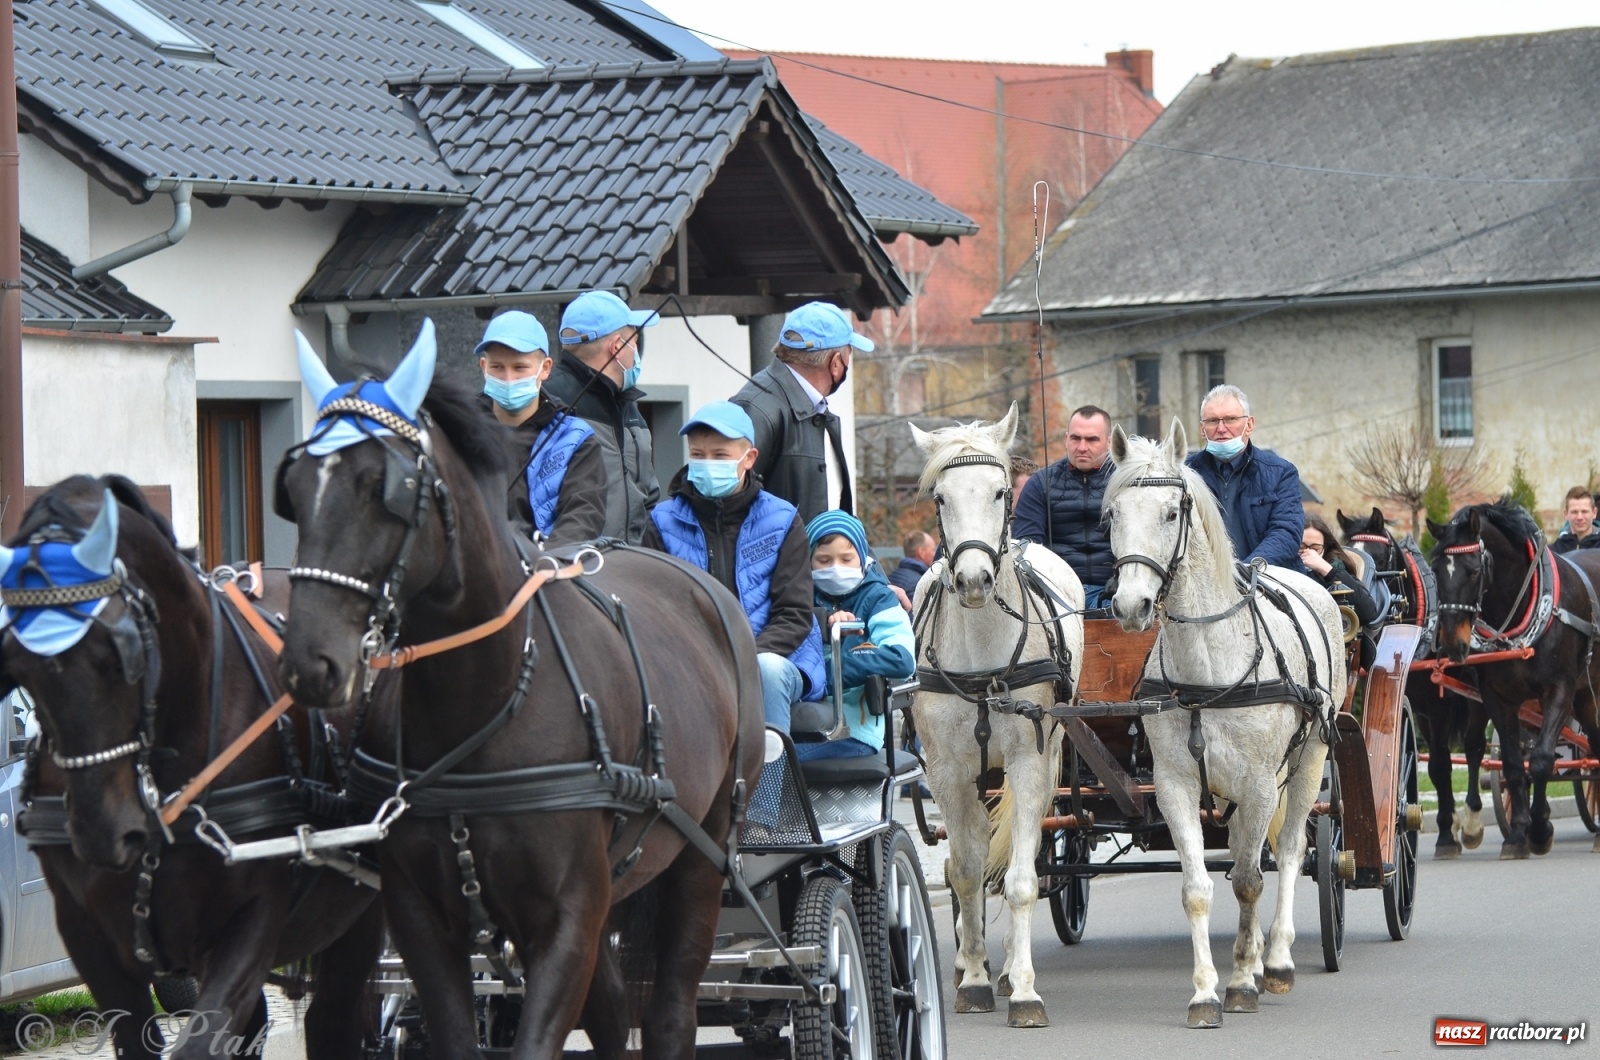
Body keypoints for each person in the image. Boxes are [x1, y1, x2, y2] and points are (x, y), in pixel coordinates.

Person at [644, 401, 826, 733]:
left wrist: (740, 658)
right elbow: (654, 611)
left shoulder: (783, 520)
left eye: (720, 455)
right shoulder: (661, 522)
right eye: (697, 455)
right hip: (690, 660)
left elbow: (794, 614)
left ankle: (769, 784)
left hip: (777, 657)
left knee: (765, 670)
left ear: (749, 459)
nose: (706, 464)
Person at [474, 311, 607, 546]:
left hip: (546, 571)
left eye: (520, 367)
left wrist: (543, 566)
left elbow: (583, 516)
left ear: (545, 368)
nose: (508, 378)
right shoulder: (455, 431)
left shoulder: (576, 439)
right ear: (483, 366)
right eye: (497, 367)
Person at [733, 302, 872, 526]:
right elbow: (731, 509)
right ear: (836, 363)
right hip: (786, 562)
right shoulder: (757, 407)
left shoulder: (814, 409)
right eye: (849, 356)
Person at [544, 291, 660, 544]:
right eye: (635, 342)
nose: (636, 353)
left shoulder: (627, 406)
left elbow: (647, 495)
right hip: (570, 571)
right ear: (617, 346)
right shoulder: (547, 403)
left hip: (629, 569)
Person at [802, 510, 916, 761]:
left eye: (846, 559)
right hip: (802, 726)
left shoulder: (878, 598)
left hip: (853, 732)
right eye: (823, 560)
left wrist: (834, 672)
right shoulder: (799, 600)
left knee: (769, 761)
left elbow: (902, 658)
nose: (835, 568)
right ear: (808, 561)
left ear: (862, 558)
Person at [1184, 384, 1305, 570]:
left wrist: (1247, 570)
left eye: (1230, 419)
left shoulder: (1281, 473)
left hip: (1268, 581)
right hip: (1201, 587)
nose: (1221, 428)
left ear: (1249, 425)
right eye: (1212, 421)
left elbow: (1286, 532)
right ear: (1202, 429)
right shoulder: (1185, 474)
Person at [1013, 405, 1116, 608]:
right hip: (1056, 594)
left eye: (1092, 439)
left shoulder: (1127, 482)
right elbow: (1025, 547)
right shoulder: (1040, 484)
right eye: (1076, 438)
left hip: (1116, 592)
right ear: (1066, 439)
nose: (1082, 447)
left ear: (1109, 442)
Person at [1301, 511, 1381, 666]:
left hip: (1329, 651)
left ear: (1325, 547)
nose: (1308, 552)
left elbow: (1368, 611)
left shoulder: (1336, 567)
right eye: (1302, 546)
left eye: (1315, 548)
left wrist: (1327, 570)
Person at [1551, 486, 1600, 554]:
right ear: (1566, 514)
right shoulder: (1554, 551)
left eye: (1584, 511)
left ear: (1594, 513)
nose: (1579, 517)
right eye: (1574, 512)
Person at [889, 530, 936, 600]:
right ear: (922, 552)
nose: (935, 554)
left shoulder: (893, 575)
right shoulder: (919, 584)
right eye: (933, 550)